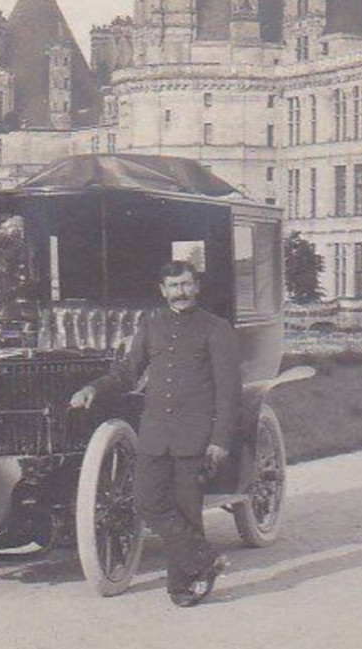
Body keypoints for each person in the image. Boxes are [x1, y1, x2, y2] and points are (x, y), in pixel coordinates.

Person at [70, 260, 242, 607]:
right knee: (145, 501)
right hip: (154, 434)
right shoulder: (151, 326)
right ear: (162, 290)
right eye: (174, 286)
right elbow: (127, 373)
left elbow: (229, 391)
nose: (182, 292)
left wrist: (221, 439)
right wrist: (94, 388)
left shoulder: (216, 329)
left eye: (187, 284)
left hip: (194, 436)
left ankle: (181, 587)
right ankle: (203, 559)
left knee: (187, 510)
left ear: (197, 287)